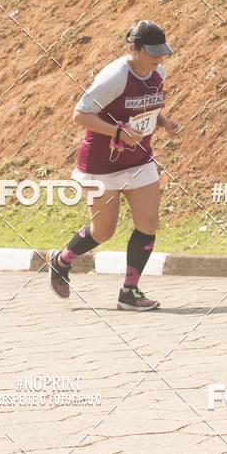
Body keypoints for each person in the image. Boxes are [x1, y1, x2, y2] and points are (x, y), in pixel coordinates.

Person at [46, 20, 179, 311]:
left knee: (148, 222)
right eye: (153, 52)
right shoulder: (115, 77)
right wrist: (118, 132)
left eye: (162, 52)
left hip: (140, 159)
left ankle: (129, 293)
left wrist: (163, 121)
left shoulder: (158, 73)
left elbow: (147, 105)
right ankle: (61, 261)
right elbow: (80, 115)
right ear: (136, 49)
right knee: (102, 232)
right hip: (101, 164)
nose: (159, 58)